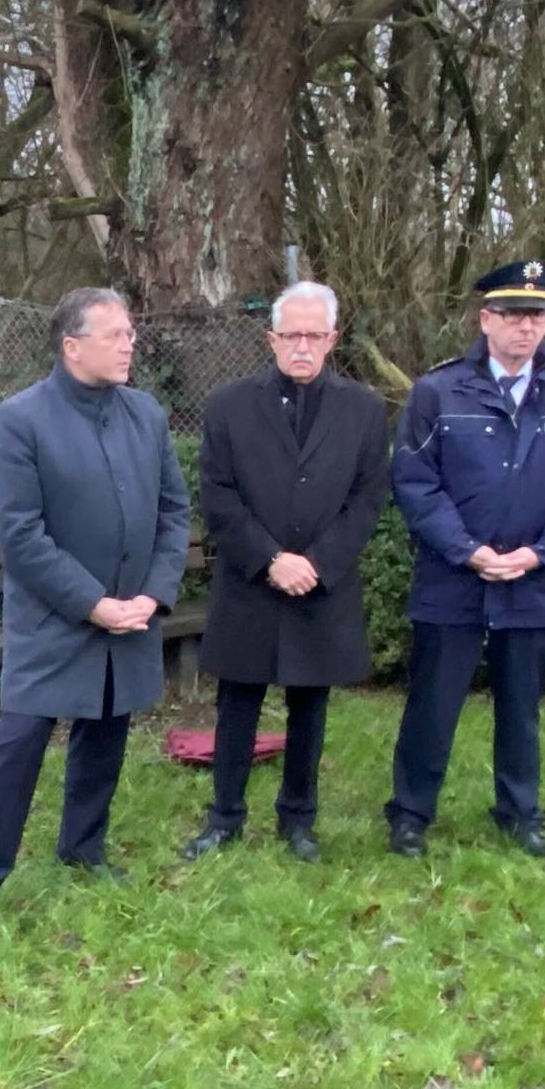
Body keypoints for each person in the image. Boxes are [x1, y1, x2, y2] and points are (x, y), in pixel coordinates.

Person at [0, 287, 191, 932]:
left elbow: (174, 513)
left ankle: (83, 849)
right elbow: (21, 535)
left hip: (130, 616)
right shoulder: (20, 420)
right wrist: (92, 604)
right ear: (72, 345)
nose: (129, 344)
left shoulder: (147, 415)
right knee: (18, 746)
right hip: (54, 622)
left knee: (106, 734)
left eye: (130, 333)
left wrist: (151, 594)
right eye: (115, 335)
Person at [383, 260, 545, 858]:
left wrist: (542, 553)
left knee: (521, 708)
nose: (525, 327)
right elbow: (413, 480)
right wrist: (467, 551)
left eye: (537, 315)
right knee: (431, 706)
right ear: (484, 319)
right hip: (451, 580)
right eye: (512, 314)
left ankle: (519, 812)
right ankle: (410, 813)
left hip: (534, 583)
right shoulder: (437, 391)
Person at [180, 282, 389, 864]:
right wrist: (270, 559)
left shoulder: (364, 411)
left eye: (313, 335)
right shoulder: (228, 405)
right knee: (237, 701)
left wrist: (318, 564)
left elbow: (369, 498)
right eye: (290, 335)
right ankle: (224, 818)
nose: (302, 346)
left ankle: (298, 820)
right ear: (271, 339)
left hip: (322, 585)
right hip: (252, 582)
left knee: (309, 706)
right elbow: (217, 495)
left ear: (333, 340)